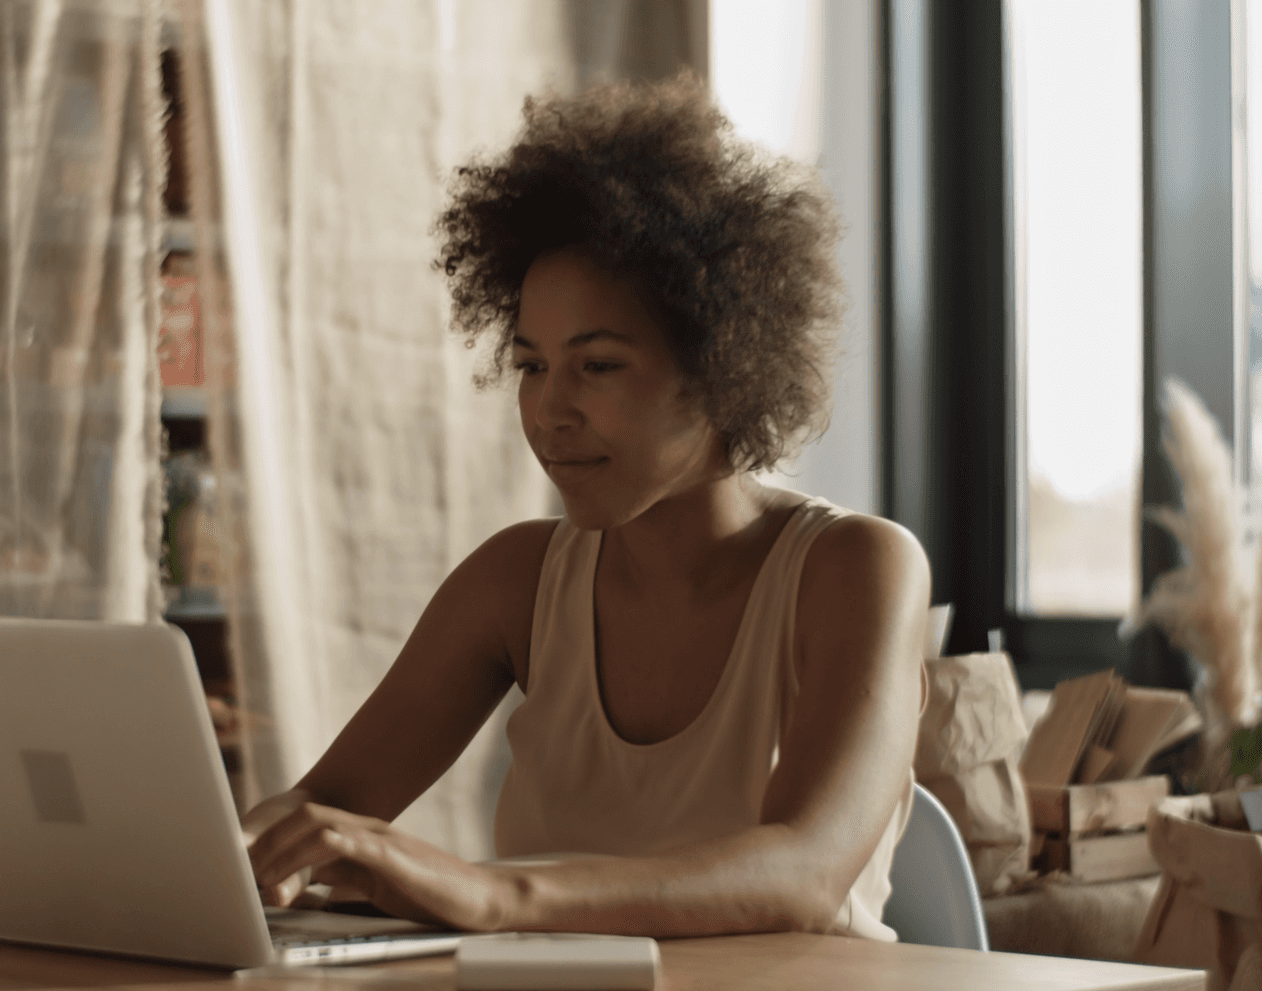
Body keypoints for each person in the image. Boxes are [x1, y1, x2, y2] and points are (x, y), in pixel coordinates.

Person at [241, 76, 931, 941]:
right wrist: (229, 853)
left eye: (598, 366)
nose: (549, 410)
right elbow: (320, 810)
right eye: (531, 366)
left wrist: (497, 896)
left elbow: (803, 874)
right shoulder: (516, 581)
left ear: (720, 370)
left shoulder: (854, 568)